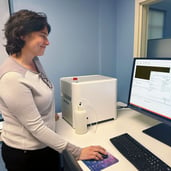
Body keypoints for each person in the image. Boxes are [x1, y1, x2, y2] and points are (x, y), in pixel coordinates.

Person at [0, 9, 107, 171]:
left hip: (47, 143)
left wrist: (50, 115)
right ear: (22, 34)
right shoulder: (12, 78)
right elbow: (36, 127)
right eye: (42, 35)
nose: (47, 42)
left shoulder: (34, 61)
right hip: (26, 155)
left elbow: (39, 94)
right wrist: (77, 152)